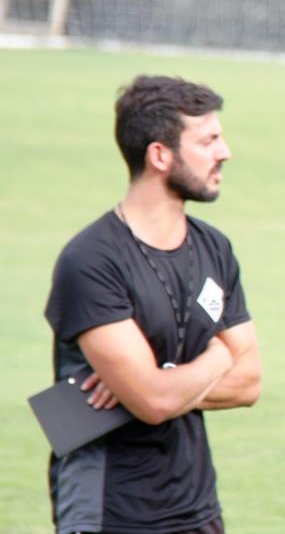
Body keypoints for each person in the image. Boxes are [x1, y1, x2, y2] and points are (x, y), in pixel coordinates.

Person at [44, 76, 262, 533]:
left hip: (196, 506)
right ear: (160, 155)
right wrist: (220, 355)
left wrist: (156, 381)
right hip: (106, 508)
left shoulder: (215, 248)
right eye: (208, 141)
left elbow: (249, 383)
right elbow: (154, 402)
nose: (224, 152)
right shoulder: (90, 260)